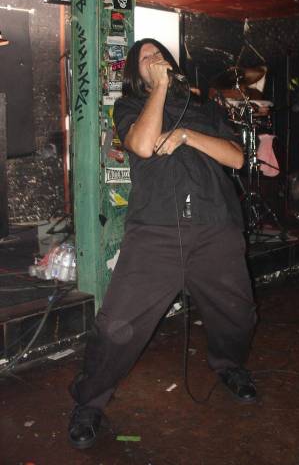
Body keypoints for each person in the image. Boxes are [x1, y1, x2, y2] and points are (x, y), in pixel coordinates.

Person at [68, 38, 257, 449]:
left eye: (160, 54)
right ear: (136, 74)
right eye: (146, 58)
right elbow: (141, 144)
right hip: (155, 233)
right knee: (117, 326)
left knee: (237, 314)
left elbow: (236, 158)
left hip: (215, 226)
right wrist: (159, 89)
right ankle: (89, 401)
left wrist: (186, 134)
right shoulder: (130, 107)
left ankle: (229, 366)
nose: (155, 59)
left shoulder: (204, 107)